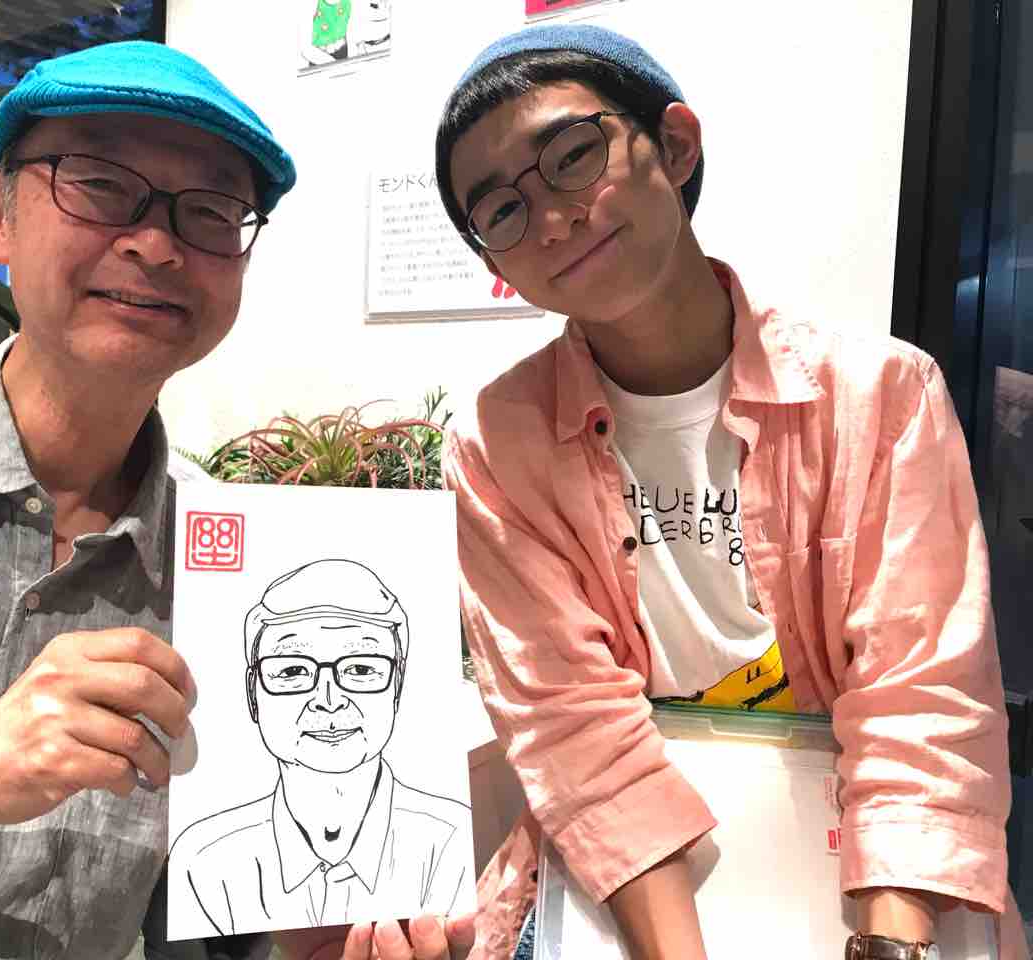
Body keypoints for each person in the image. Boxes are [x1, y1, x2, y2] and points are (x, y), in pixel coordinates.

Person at [0, 40, 457, 960]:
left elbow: (209, 919)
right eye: (98, 184)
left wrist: (323, 935)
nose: (156, 244)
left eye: (211, 211)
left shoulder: (240, 576)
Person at [433, 23, 1023, 960]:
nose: (550, 219)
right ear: (495, 263)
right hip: (630, 888)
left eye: (573, 156)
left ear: (674, 144)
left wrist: (891, 946)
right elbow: (570, 728)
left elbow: (921, 697)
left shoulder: (879, 395)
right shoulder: (496, 442)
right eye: (502, 209)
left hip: (865, 874)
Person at [173, 559, 472, 936]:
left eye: (361, 669)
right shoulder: (205, 863)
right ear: (253, 693)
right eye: (292, 670)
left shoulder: (451, 844)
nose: (328, 700)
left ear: (397, 685)